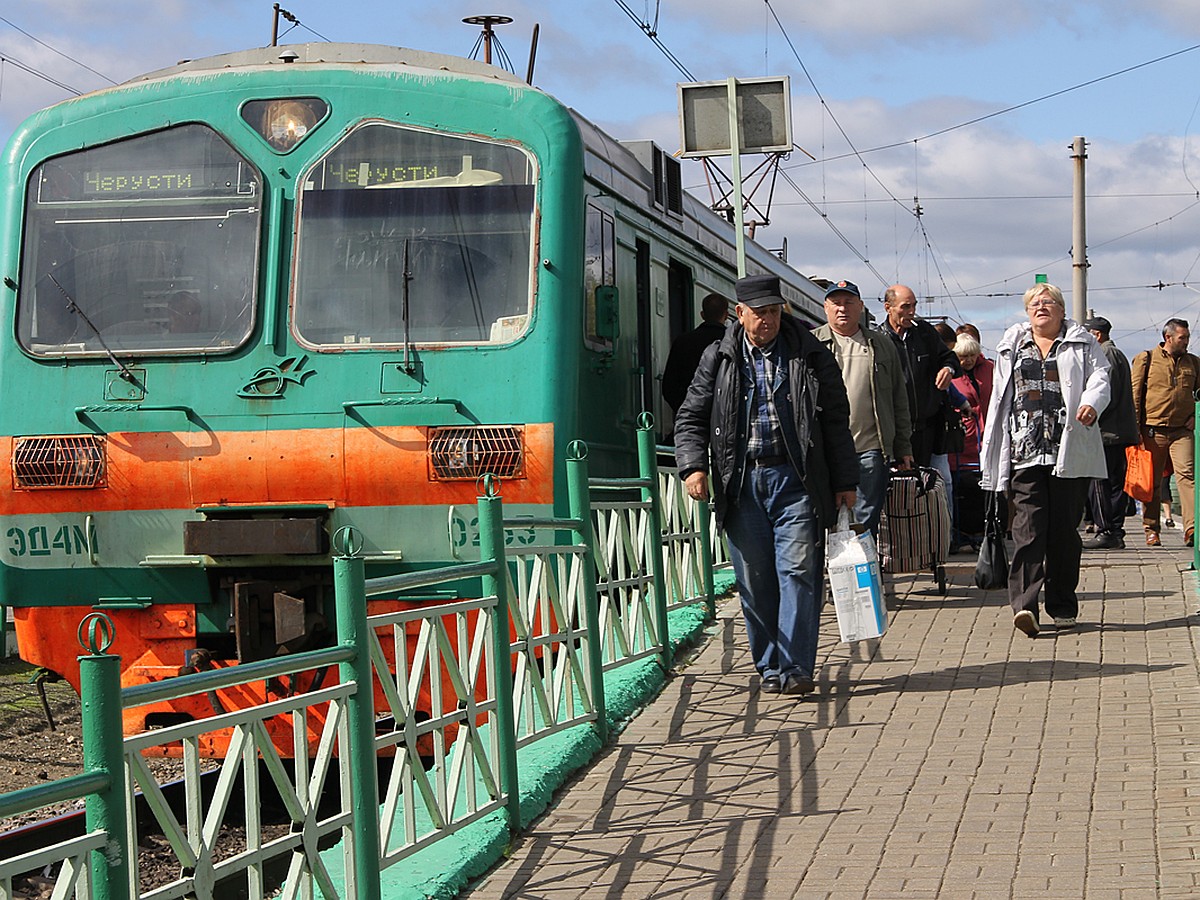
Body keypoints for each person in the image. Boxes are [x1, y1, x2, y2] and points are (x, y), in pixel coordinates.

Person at [674, 274, 858, 696]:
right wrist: (692, 467)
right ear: (740, 314)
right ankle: (770, 665)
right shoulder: (717, 358)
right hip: (741, 483)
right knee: (755, 580)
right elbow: (691, 416)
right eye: (759, 313)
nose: (768, 321)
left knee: (797, 572)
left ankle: (796, 668)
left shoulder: (810, 354)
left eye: (774, 312)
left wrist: (846, 480)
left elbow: (835, 422)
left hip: (797, 481)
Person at [980, 283, 1109, 637]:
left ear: (1061, 309)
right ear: (1027, 312)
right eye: (1034, 303)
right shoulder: (1012, 345)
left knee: (1064, 532)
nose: (1041, 307)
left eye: (1048, 302)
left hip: (1068, 447)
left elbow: (1101, 377)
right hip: (1024, 450)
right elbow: (1000, 398)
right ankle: (1025, 607)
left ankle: (1062, 604)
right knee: (1028, 528)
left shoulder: (1084, 342)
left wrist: (1091, 403)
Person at [812, 279, 913, 536]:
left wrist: (903, 447)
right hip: (826, 448)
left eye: (849, 303)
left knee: (867, 516)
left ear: (861, 307)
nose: (842, 309)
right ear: (826, 307)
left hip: (870, 446)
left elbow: (898, 399)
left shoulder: (881, 345)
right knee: (825, 512)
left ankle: (863, 570)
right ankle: (834, 569)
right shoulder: (812, 344)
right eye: (836, 303)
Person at [1131, 318, 1199, 547]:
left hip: (1182, 431)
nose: (1186, 342)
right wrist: (1136, 429)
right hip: (1152, 430)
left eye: (1187, 337)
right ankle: (1151, 528)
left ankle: (1192, 528)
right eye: (1183, 338)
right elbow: (1135, 395)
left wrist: (1193, 417)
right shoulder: (1147, 359)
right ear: (1168, 337)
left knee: (1187, 477)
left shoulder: (1194, 363)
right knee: (1153, 482)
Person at [881, 285, 960, 466]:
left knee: (934, 483)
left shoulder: (925, 333)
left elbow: (949, 357)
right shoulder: (880, 339)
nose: (911, 312)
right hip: (896, 432)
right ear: (888, 308)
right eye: (905, 307)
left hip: (928, 428)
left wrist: (948, 369)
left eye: (914, 306)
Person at [1081, 316, 1138, 550]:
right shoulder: (1117, 354)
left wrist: (1090, 417)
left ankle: (1107, 530)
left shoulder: (1106, 355)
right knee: (1114, 483)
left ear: (1096, 334)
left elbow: (1106, 395)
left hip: (1106, 432)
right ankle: (1114, 531)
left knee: (1100, 483)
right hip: (1117, 431)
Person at [949, 333, 991, 549]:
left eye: (972, 356)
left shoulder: (989, 369)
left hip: (987, 433)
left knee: (983, 484)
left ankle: (984, 529)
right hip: (964, 436)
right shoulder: (951, 373)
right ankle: (962, 531)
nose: (968, 361)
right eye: (963, 357)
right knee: (961, 484)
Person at [661, 292, 729, 413]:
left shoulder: (682, 341)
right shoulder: (733, 343)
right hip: (724, 415)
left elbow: (669, 386)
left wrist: (684, 410)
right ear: (727, 315)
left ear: (702, 315)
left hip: (691, 413)